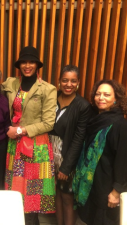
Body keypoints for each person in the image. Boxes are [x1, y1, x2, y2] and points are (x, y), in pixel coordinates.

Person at [2, 46, 57, 225]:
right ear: (19, 65)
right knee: (16, 189)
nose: (27, 65)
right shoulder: (10, 83)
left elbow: (49, 123)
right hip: (15, 146)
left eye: (31, 62)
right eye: (24, 62)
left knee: (33, 192)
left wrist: (20, 130)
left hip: (36, 146)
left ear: (37, 65)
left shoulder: (48, 89)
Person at [73, 80, 127, 225]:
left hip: (106, 189)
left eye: (107, 95)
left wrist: (116, 191)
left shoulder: (120, 125)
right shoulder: (94, 119)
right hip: (90, 185)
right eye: (98, 94)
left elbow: (124, 161)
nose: (101, 98)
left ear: (116, 99)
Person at [48, 65, 92, 225]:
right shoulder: (52, 98)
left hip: (67, 156)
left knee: (67, 196)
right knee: (56, 193)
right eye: (65, 80)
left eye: (73, 81)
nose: (69, 84)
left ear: (78, 83)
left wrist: (66, 167)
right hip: (48, 154)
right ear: (59, 82)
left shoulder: (83, 106)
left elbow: (78, 138)